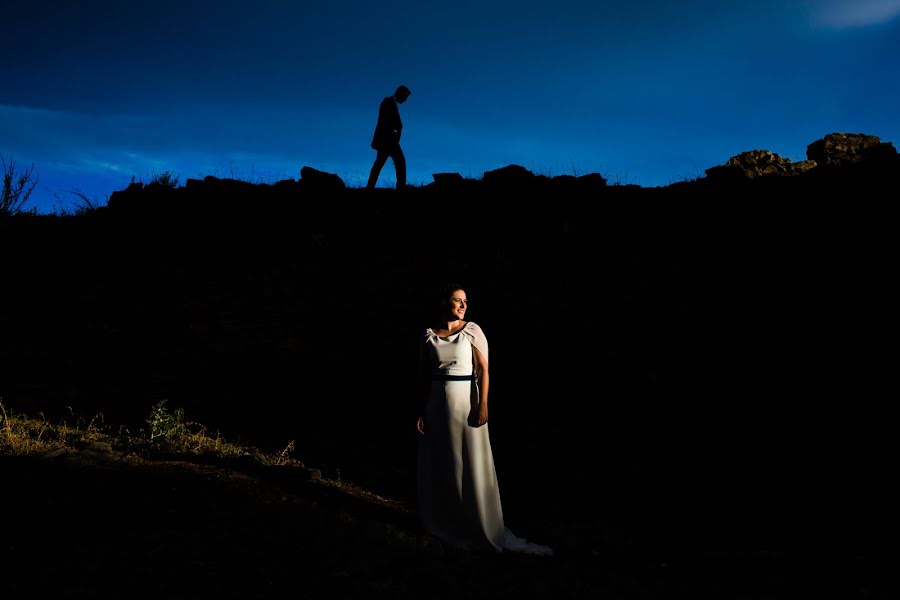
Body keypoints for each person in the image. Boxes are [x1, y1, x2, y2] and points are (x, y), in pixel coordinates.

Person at [415, 283, 553, 556]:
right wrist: (421, 410)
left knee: (470, 463)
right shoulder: (429, 335)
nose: (463, 305)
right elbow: (423, 376)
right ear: (445, 303)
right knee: (443, 462)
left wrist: (483, 405)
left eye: (465, 300)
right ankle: (447, 521)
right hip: (436, 406)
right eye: (457, 300)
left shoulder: (472, 330)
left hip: (467, 404)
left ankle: (479, 523)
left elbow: (483, 370)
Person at [366, 85, 411, 189]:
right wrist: (393, 132)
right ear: (400, 93)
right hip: (388, 141)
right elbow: (386, 121)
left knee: (379, 164)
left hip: (389, 140)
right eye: (405, 97)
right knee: (399, 162)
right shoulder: (388, 102)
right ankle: (401, 186)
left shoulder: (391, 103)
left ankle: (369, 187)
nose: (405, 100)